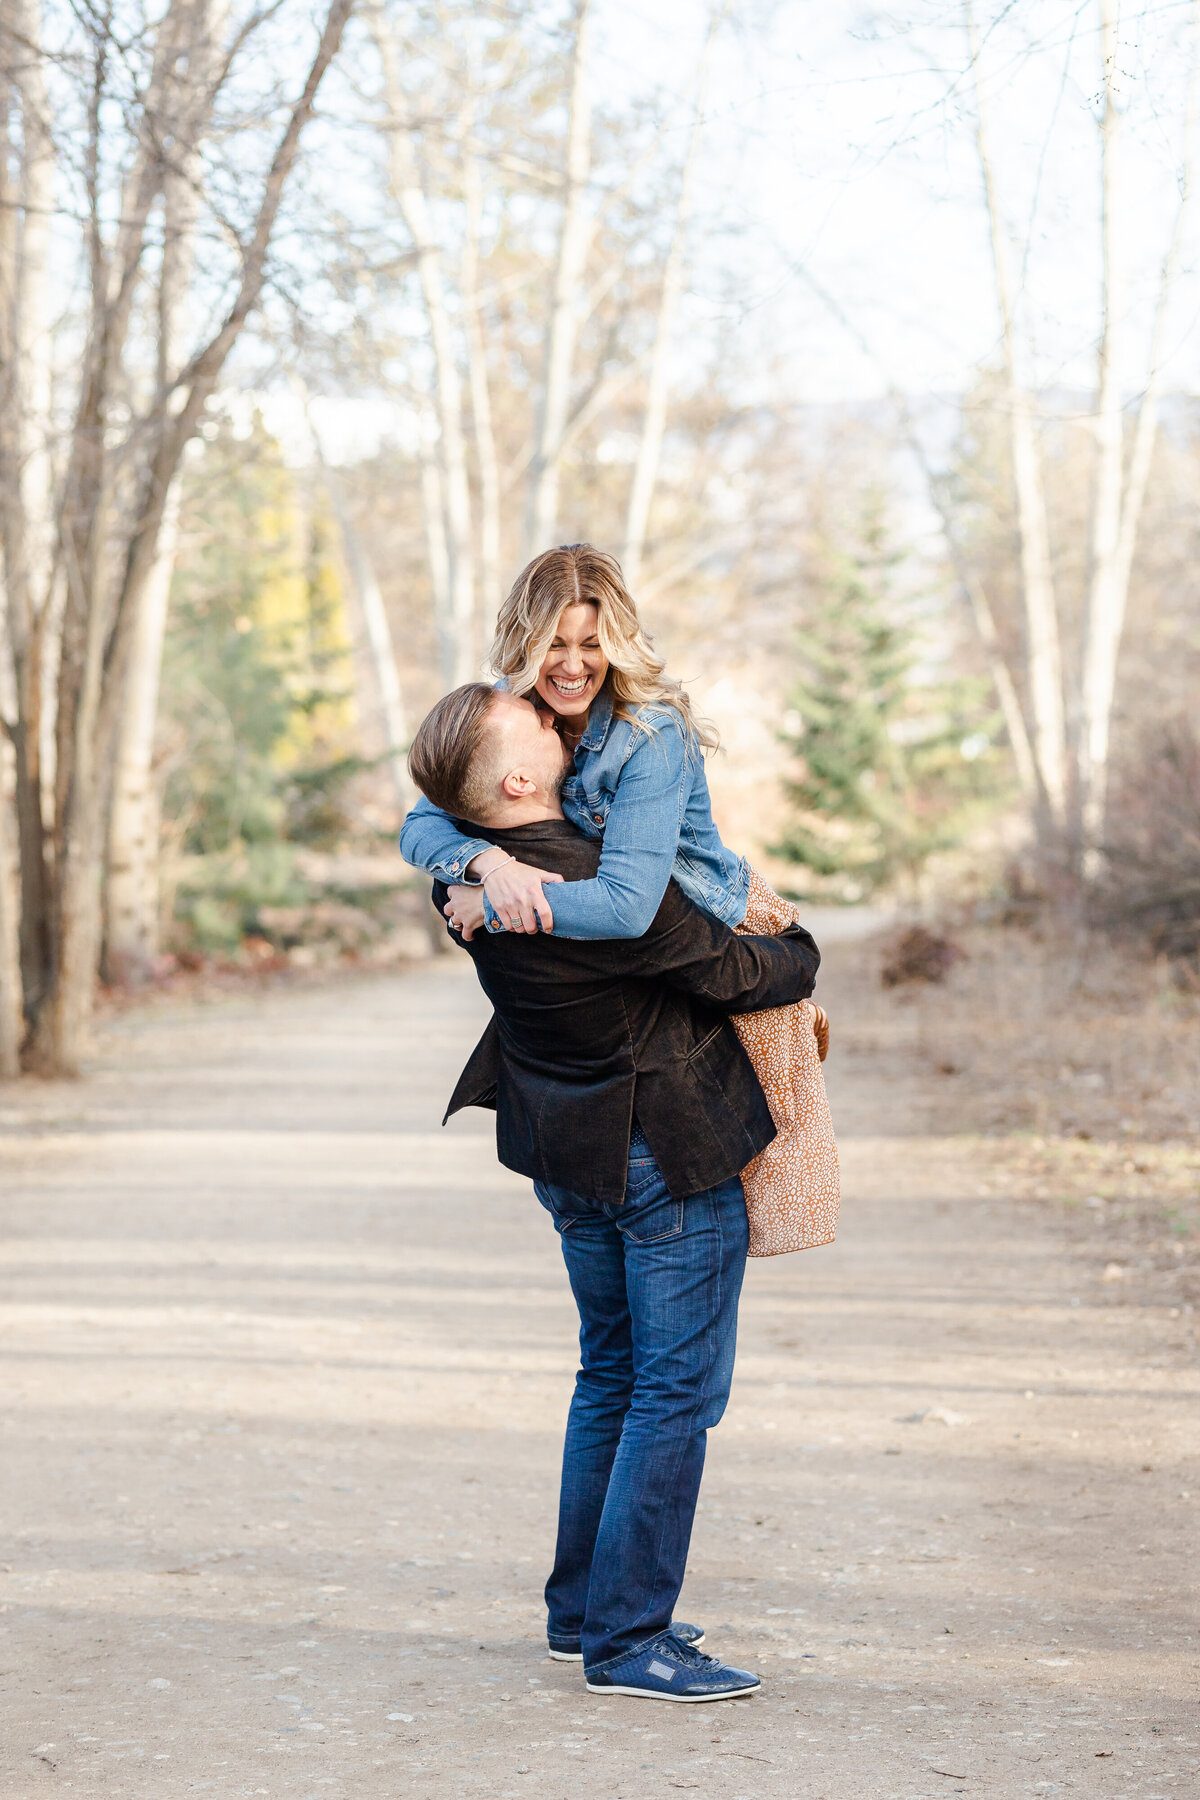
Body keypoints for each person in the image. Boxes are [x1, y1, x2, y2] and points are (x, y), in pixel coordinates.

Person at [406, 680, 821, 1703]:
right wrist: (798, 940)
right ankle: (630, 1639)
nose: (556, 719)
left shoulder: (474, 884)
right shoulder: (598, 888)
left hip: (572, 1162)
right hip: (662, 1164)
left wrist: (469, 861)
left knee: (611, 1375)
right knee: (671, 1392)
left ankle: (581, 1610)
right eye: (536, 725)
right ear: (514, 779)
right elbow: (753, 973)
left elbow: (428, 824)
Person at [400, 543, 833, 1261]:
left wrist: (494, 905)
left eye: (591, 644)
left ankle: (786, 1023)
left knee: (772, 1149)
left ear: (619, 643)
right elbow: (423, 819)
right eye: (553, 645)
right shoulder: (511, 713)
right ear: (524, 642)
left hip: (707, 913)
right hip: (634, 936)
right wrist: (485, 863)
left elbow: (631, 907)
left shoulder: (649, 733)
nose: (571, 666)